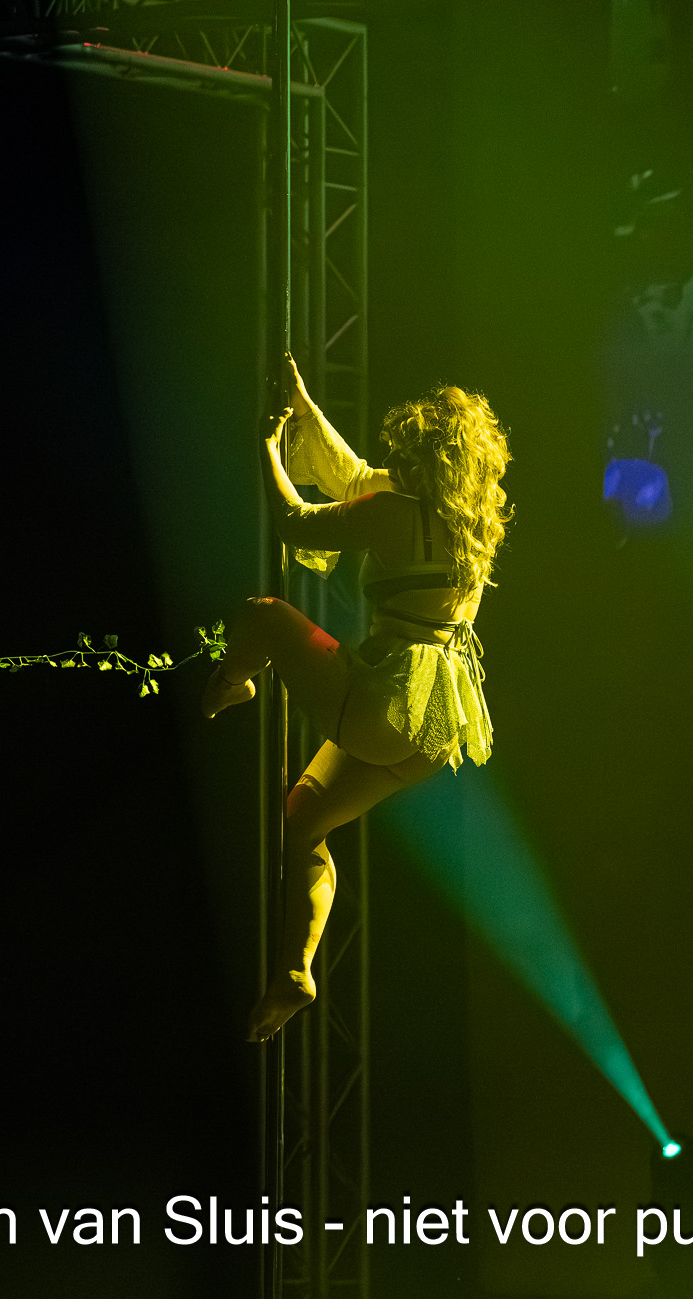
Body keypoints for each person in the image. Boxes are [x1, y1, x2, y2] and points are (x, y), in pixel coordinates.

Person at [203, 355, 512, 1041]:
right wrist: (303, 406)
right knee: (303, 824)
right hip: (434, 729)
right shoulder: (463, 528)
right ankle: (295, 970)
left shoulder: (395, 513)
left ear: (421, 455)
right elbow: (351, 476)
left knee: (263, 617)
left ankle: (231, 683)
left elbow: (296, 520)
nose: (391, 458)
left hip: (388, 703)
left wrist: (266, 445)